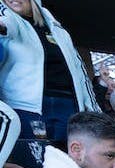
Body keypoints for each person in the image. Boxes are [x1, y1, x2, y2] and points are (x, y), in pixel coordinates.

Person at [0, 0, 99, 142]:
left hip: (70, 107)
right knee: (34, 161)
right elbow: (6, 24)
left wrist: (95, 112)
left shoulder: (60, 32)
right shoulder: (10, 22)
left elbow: (81, 74)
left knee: (69, 160)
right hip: (27, 110)